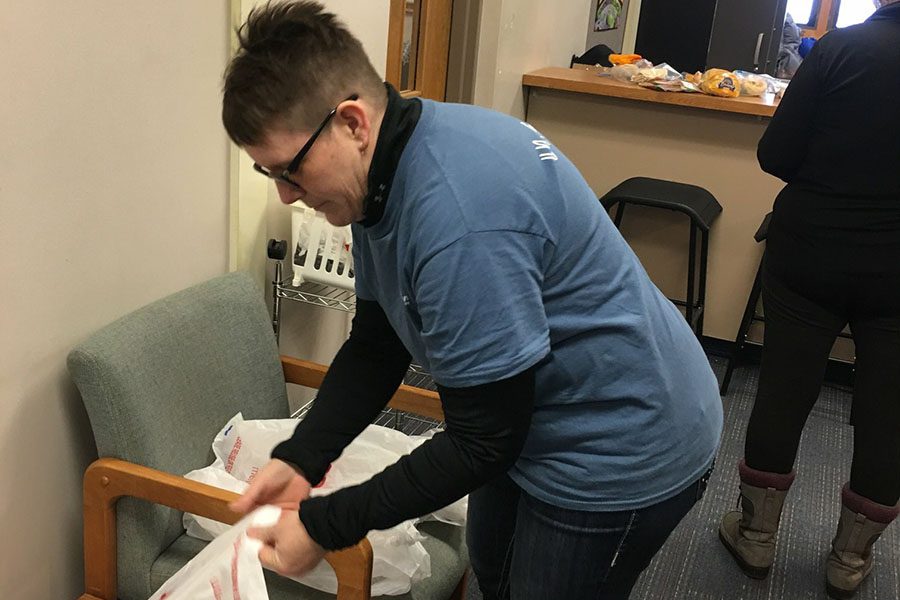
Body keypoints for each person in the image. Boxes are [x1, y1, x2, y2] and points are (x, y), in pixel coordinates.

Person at [223, 2, 723, 598]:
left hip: (622, 439)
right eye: (267, 174)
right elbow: (379, 341)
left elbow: (483, 442)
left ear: (352, 123)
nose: (285, 196)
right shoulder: (379, 171)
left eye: (291, 171)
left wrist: (325, 525)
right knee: (494, 568)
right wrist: (302, 458)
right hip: (531, 414)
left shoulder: (459, 220)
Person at [718, 2, 900, 599]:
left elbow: (775, 154)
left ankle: (755, 537)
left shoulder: (844, 48)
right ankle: (849, 561)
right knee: (890, 413)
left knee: (784, 391)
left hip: (812, 251)